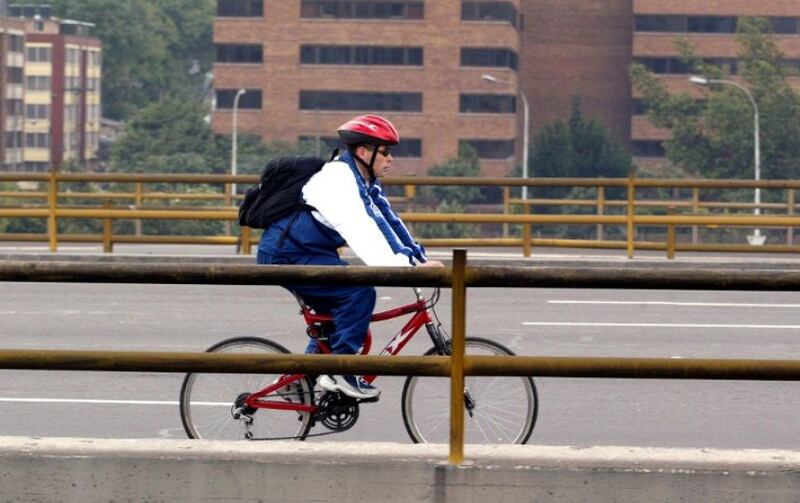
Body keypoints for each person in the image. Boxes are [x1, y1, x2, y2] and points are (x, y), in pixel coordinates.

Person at [257, 114, 443, 401]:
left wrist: (417, 260)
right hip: (287, 254)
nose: (391, 158)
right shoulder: (338, 181)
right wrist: (403, 268)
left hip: (308, 252)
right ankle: (341, 371)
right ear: (364, 152)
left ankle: (299, 380)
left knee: (335, 317)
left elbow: (387, 221)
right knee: (358, 292)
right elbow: (363, 231)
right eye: (385, 152)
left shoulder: (363, 180)